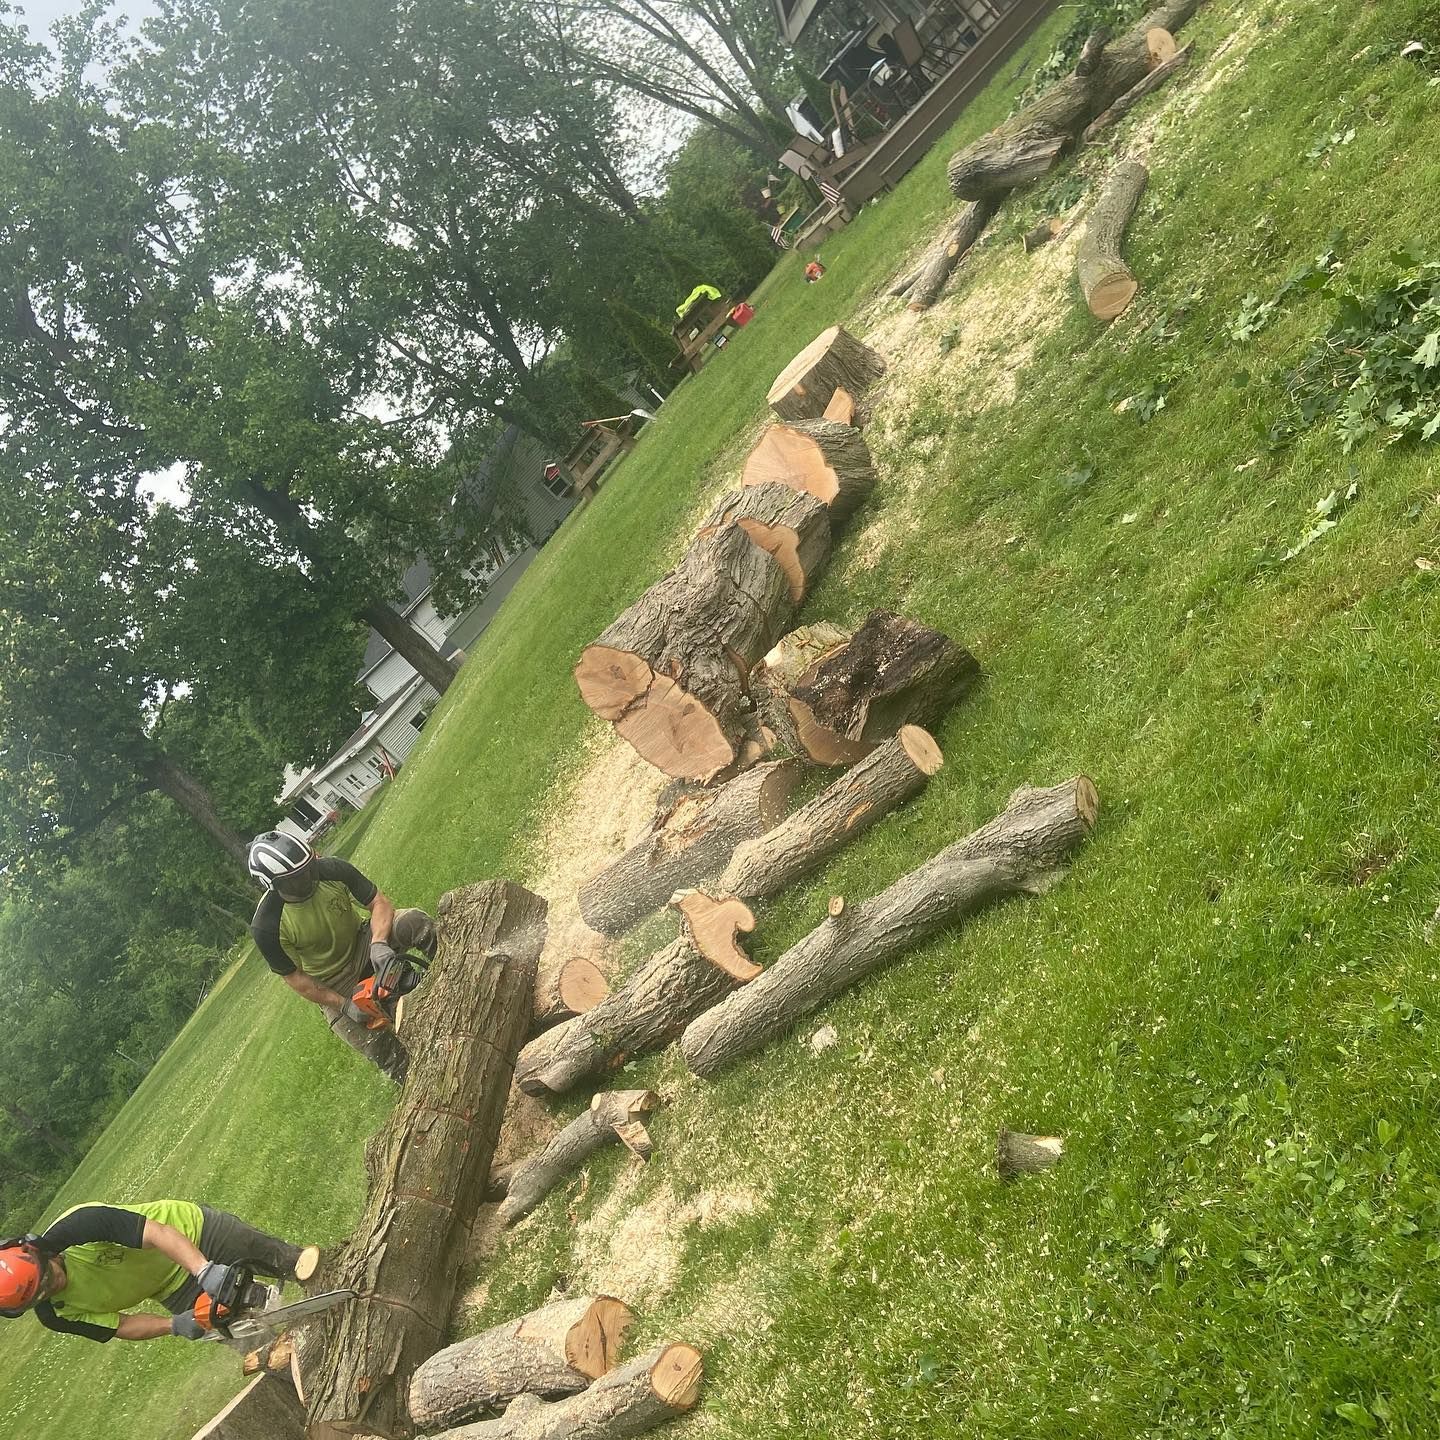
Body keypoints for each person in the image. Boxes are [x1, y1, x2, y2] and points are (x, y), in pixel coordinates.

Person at [248, 832, 436, 1082]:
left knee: (413, 921)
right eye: (297, 878)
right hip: (333, 983)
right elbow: (297, 979)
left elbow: (378, 902)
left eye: (309, 868)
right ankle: (416, 1081)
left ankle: (457, 964)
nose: (308, 877)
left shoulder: (330, 869)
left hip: (364, 941)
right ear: (273, 884)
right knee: (376, 1046)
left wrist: (379, 943)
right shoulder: (267, 926)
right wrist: (343, 1005)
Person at [0, 1199, 318, 1343]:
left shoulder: (79, 1224)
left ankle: (324, 1279)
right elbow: (119, 1326)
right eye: (40, 1294)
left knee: (290, 1261)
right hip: (171, 1289)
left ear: (35, 1250)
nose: (52, 1285)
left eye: (45, 1276)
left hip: (191, 1231)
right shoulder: (55, 1315)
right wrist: (175, 1324)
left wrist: (205, 1271)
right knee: (250, 1340)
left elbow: (156, 1234)